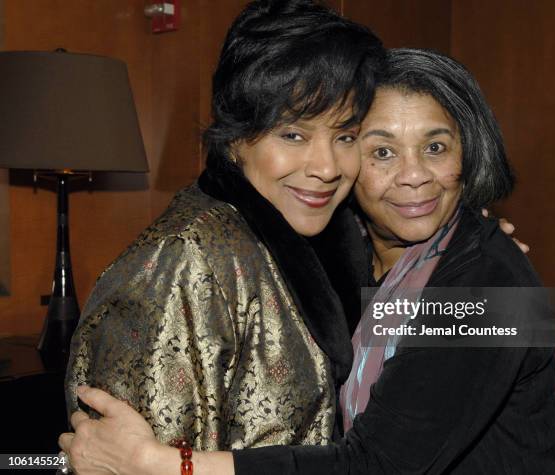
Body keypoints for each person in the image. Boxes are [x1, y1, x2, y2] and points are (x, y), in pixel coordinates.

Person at [63, 0, 385, 454]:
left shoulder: (343, 236)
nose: (327, 167)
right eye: (293, 135)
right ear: (235, 138)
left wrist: (469, 250)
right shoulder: (185, 260)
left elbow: (495, 328)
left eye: (345, 136)